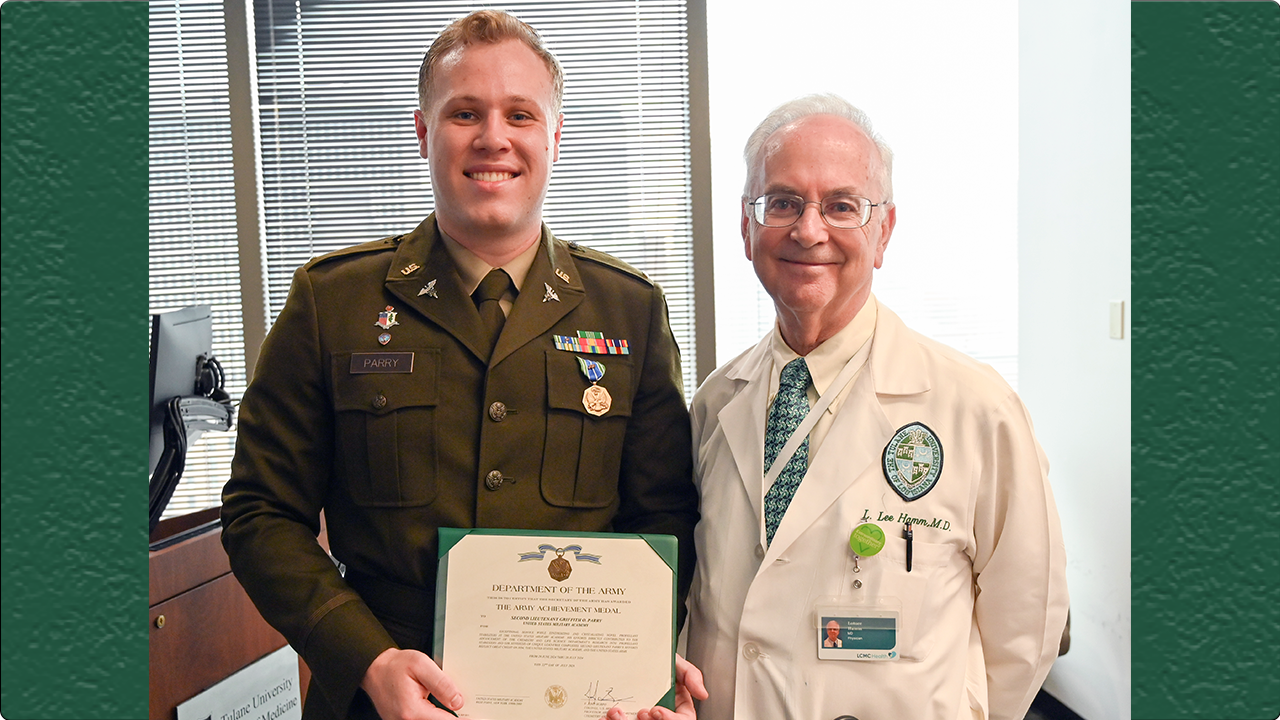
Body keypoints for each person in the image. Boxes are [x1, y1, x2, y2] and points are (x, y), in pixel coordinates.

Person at [220, 11, 698, 720]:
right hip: (378, 699)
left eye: (521, 115)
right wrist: (369, 661)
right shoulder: (333, 301)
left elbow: (665, 517)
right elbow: (261, 512)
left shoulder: (628, 310)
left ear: (556, 138)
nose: (494, 138)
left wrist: (637, 662)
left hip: (578, 704)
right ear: (423, 132)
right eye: (464, 113)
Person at [683, 94, 1069, 720]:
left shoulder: (975, 408)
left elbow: (1027, 623)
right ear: (747, 227)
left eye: (841, 206)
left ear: (883, 230)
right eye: (782, 202)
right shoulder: (715, 404)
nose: (809, 231)